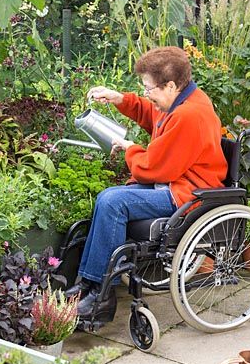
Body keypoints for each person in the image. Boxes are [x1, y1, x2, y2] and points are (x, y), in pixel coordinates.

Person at [68, 45, 227, 323]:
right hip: (174, 182)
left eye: (149, 88)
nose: (147, 94)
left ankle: (101, 295)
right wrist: (120, 99)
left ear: (170, 86)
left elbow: (152, 168)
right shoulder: (182, 100)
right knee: (107, 198)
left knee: (113, 202)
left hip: (188, 193)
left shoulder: (189, 116)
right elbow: (154, 113)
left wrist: (130, 148)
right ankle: (89, 285)